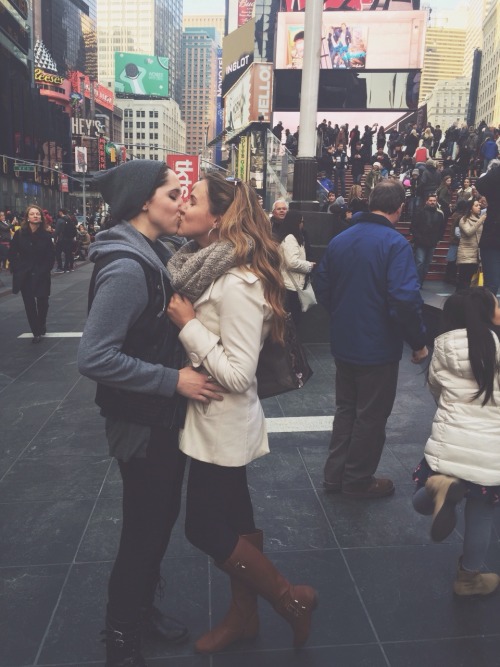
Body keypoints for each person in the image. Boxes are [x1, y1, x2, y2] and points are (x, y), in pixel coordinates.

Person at [77, 161, 223, 666]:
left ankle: (139, 608)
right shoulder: (126, 266)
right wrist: (173, 379)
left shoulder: (152, 253)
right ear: (144, 202)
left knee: (158, 519)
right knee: (144, 526)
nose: (183, 201)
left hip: (155, 413)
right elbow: (94, 356)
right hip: (139, 419)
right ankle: (122, 632)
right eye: (174, 193)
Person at [166, 172, 318, 654]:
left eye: (192, 199)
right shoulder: (205, 267)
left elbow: (237, 373)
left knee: (203, 528)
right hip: (211, 422)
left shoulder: (237, 283)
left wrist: (189, 326)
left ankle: (287, 599)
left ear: (219, 217)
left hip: (223, 425)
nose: (183, 205)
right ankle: (244, 615)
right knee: (235, 518)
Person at [315, 180, 428, 499]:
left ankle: (334, 475)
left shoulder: (341, 238)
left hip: (344, 341)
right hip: (377, 347)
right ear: (399, 208)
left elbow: (321, 283)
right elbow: (404, 299)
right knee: (371, 415)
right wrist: (418, 342)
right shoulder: (395, 244)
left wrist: (341, 314)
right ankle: (357, 480)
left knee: (346, 410)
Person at [412, 288, 500, 596]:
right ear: (487, 313)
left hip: (448, 444)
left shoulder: (442, 348)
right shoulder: (497, 347)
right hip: (491, 451)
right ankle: (468, 580)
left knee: (422, 495)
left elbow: (437, 393)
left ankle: (437, 487)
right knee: (482, 512)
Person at [8, 205, 55, 343]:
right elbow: (12, 253)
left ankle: (41, 324)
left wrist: (46, 269)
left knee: (43, 302)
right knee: (29, 304)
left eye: (38, 214)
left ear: (41, 218)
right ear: (27, 217)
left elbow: (50, 256)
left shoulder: (46, 236)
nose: (36, 216)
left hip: (41, 273)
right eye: (32, 214)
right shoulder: (20, 234)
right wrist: (17, 268)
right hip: (25, 274)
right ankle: (36, 332)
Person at [274, 209, 315, 326]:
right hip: (291, 286)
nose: (302, 224)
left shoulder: (291, 237)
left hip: (291, 284)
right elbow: (291, 262)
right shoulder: (291, 239)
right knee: (293, 320)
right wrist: (309, 265)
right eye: (301, 221)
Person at [475, 159, 500, 295]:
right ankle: (486, 315)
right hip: (493, 238)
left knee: (492, 285)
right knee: (492, 285)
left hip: (493, 236)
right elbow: (480, 184)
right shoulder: (494, 184)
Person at [410, 193, 445, 287]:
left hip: (432, 243)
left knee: (426, 265)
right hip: (421, 242)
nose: (432, 202)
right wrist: (418, 238)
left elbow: (442, 228)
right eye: (430, 200)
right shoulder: (419, 212)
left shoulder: (440, 214)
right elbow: (413, 227)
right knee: (420, 263)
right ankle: (416, 283)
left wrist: (438, 239)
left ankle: (420, 281)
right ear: (427, 201)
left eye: (434, 201)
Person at [456, 199, 485, 291]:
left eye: (479, 205)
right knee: (464, 279)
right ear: (470, 208)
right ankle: (459, 299)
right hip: (466, 253)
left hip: (476, 253)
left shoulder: (478, 219)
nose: (479, 207)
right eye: (476, 205)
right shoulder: (464, 219)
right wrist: (480, 220)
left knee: (472, 281)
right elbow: (469, 232)